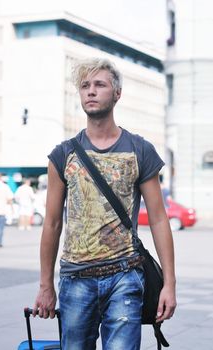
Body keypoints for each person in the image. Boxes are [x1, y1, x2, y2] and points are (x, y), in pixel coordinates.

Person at [33, 58, 177, 350]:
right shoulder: (63, 155)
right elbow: (51, 223)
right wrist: (46, 285)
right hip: (75, 280)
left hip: (125, 276)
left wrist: (170, 284)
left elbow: (160, 219)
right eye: (85, 86)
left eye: (99, 84)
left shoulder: (140, 150)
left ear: (117, 93)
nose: (91, 91)